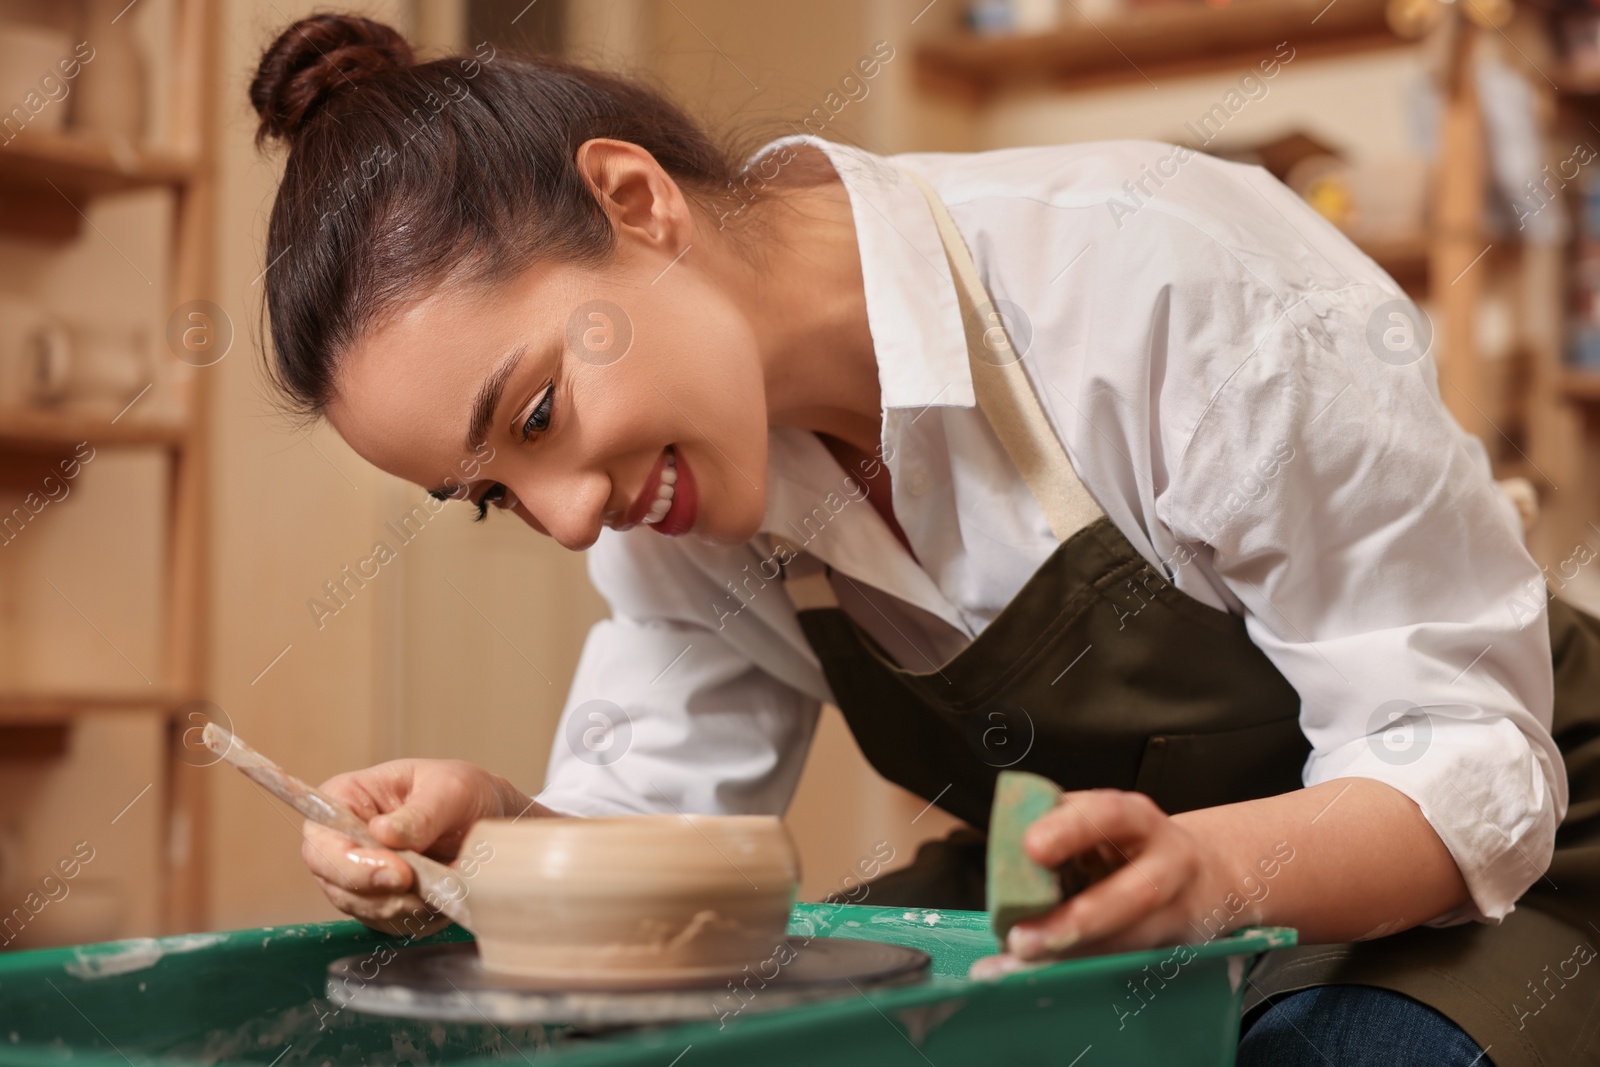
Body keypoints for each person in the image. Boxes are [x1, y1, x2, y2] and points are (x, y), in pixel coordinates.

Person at [249, 14, 1600, 1066]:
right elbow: (650, 851)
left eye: (539, 413)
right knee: (789, 1033)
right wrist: (495, 838)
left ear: (636, 200)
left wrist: (1212, 879)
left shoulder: (1160, 278)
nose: (568, 514)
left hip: (1515, 858)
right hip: (1108, 899)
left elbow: (1465, 764)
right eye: (494, 492)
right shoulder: (668, 495)